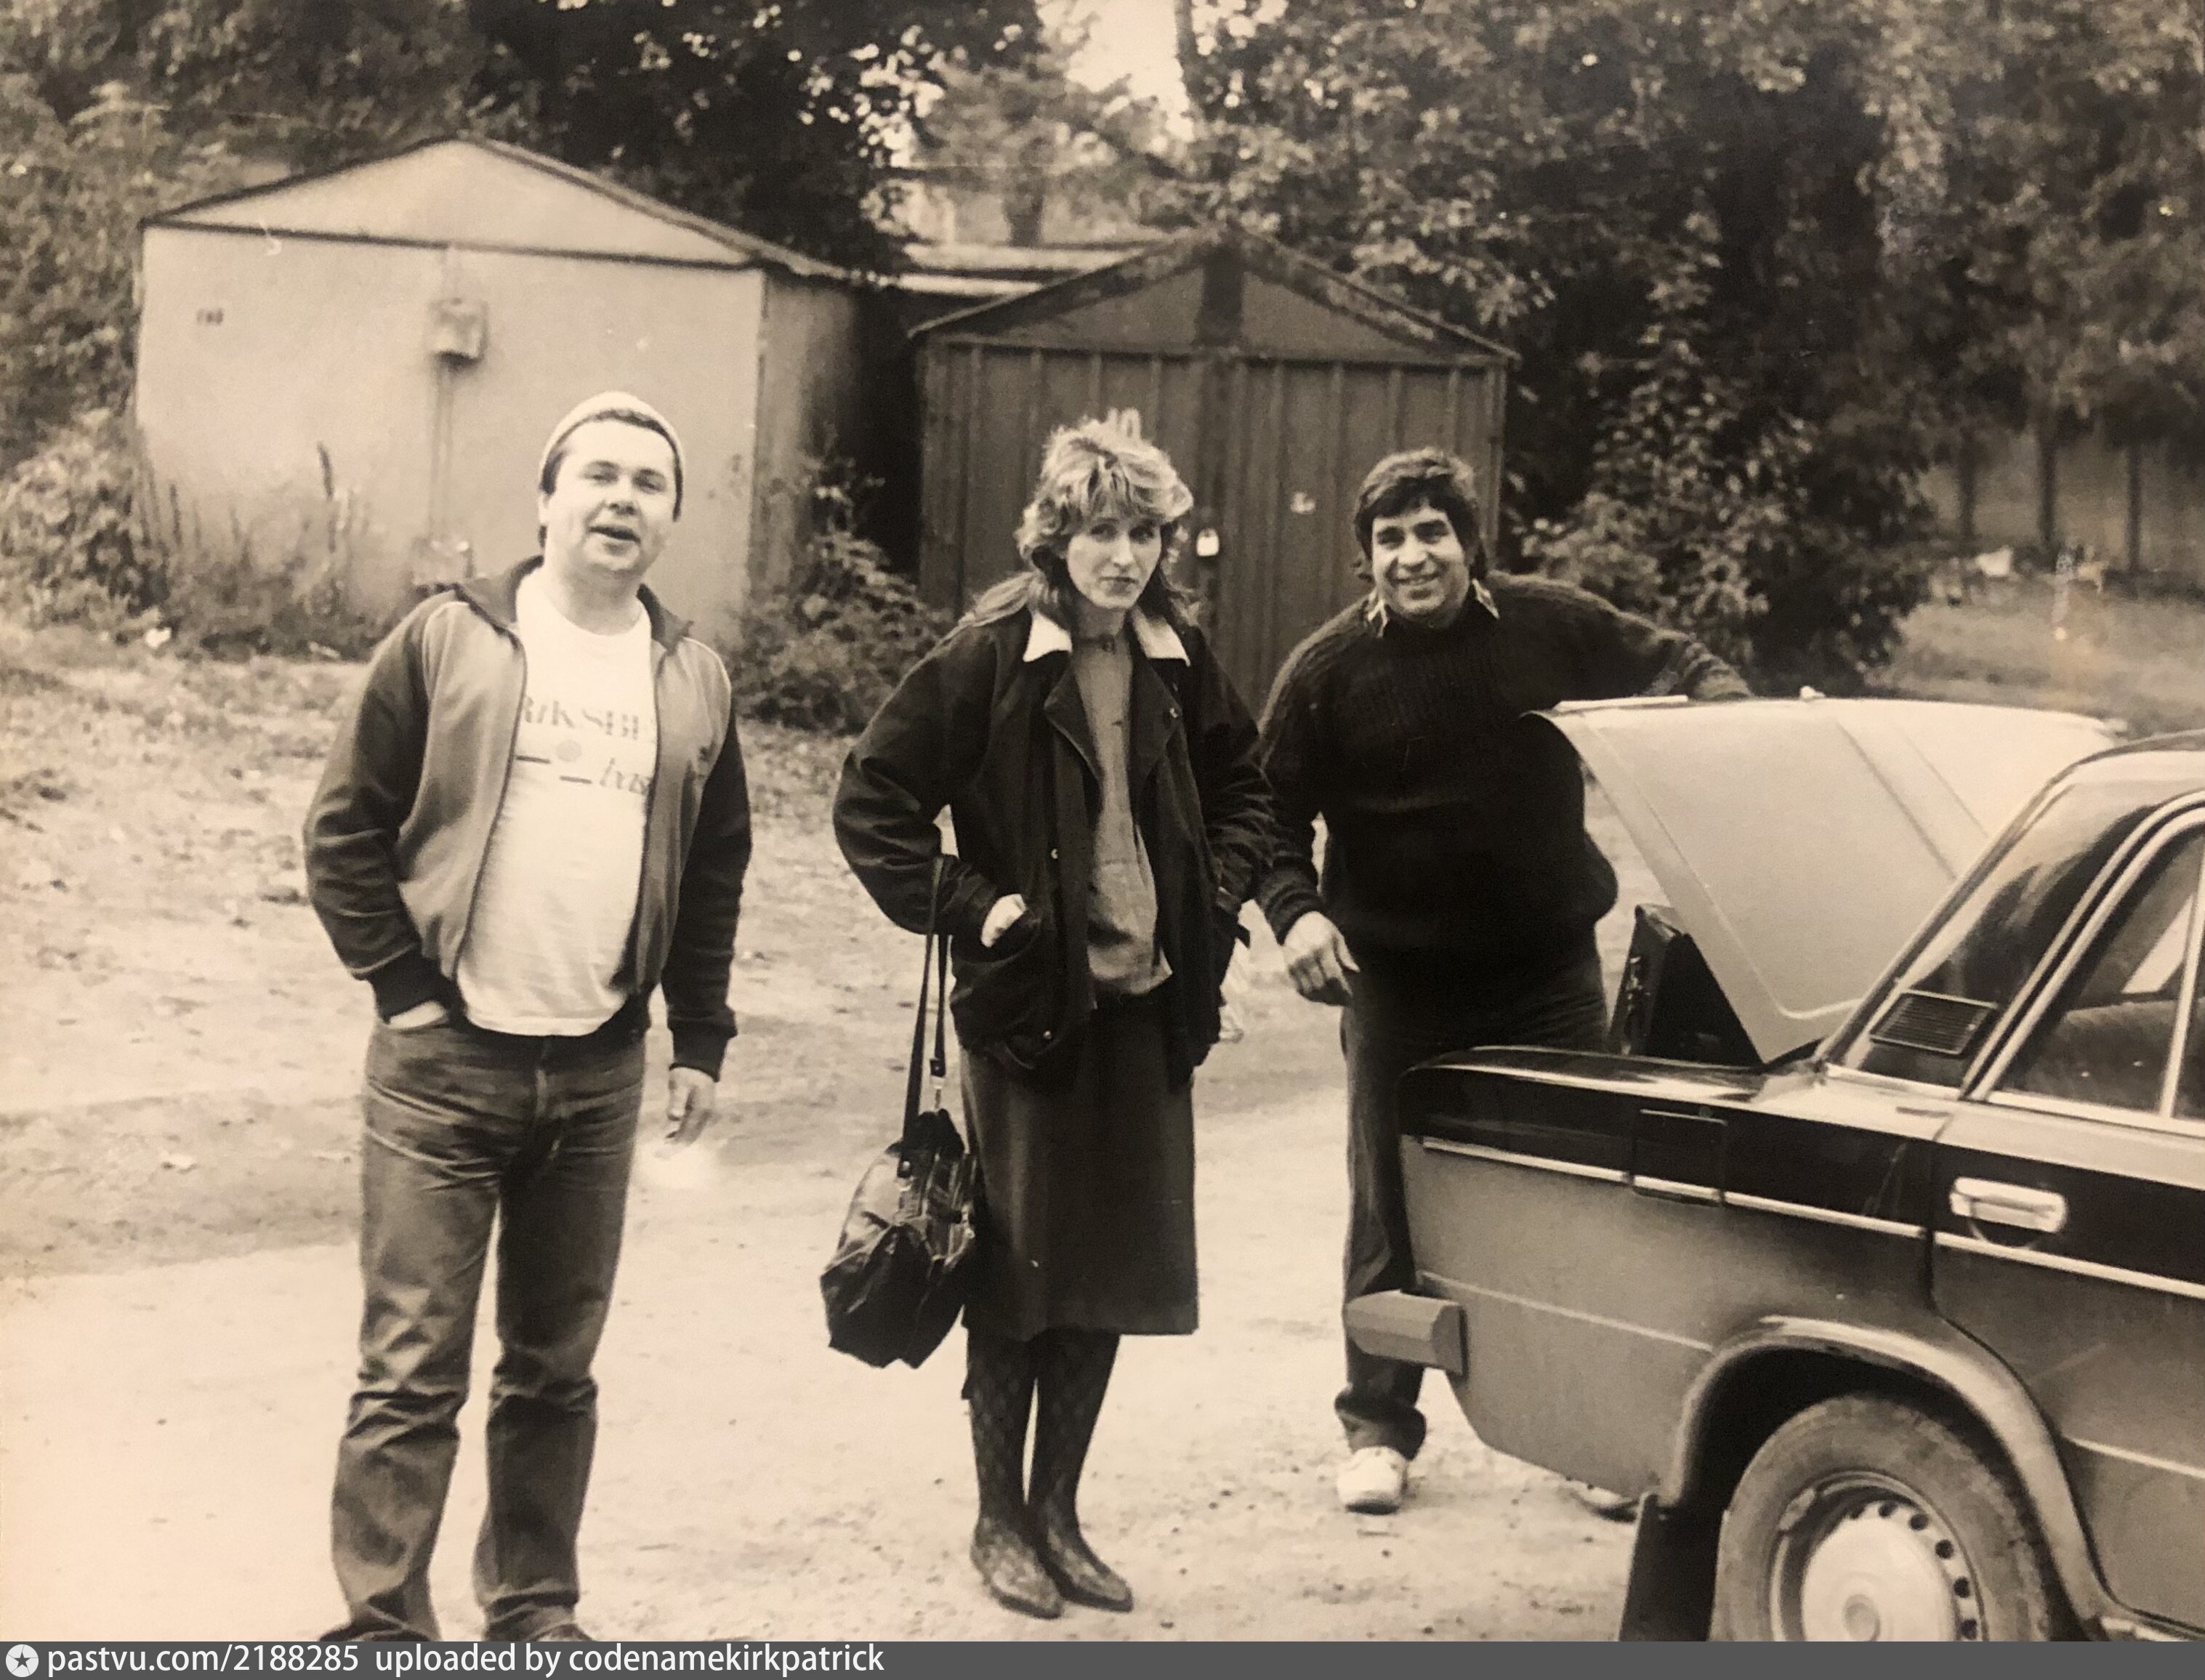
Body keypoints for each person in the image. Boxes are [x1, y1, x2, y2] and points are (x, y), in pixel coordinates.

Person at [303, 392, 753, 1639]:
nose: (621, 500)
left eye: (649, 484)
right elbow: (342, 827)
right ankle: (385, 1629)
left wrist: (699, 1037)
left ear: (670, 518)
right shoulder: (448, 639)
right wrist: (401, 988)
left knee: (554, 1369)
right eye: (597, 475)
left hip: (598, 1072)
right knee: (411, 1367)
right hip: (442, 1066)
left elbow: (714, 867)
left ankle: (534, 1614)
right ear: (545, 499)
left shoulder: (694, 676)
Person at [1254, 447, 1747, 1518]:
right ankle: (1377, 1429)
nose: (1412, 556)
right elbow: (1264, 814)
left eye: (1432, 532)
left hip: (1545, 977)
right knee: (1391, 1205)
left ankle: (1587, 1438)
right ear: (1365, 557)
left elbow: (1681, 665)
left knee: (1574, 1197)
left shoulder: (1548, 624)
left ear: (1470, 544)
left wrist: (1731, 728)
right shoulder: (1326, 672)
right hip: (1397, 985)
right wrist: (1295, 912)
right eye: (1389, 538)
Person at [834, 420, 1274, 1619]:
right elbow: (872, 799)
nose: (1124, 556)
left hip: (1150, 1010)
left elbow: (1248, 786)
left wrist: (1212, 897)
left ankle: (1061, 1514)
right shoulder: (993, 655)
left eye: (1144, 534)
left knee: (1110, 1275)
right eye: (1100, 531)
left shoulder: (1176, 655)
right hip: (1031, 1015)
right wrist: (974, 907)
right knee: (1018, 1280)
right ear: (1053, 537)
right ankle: (997, 1520)